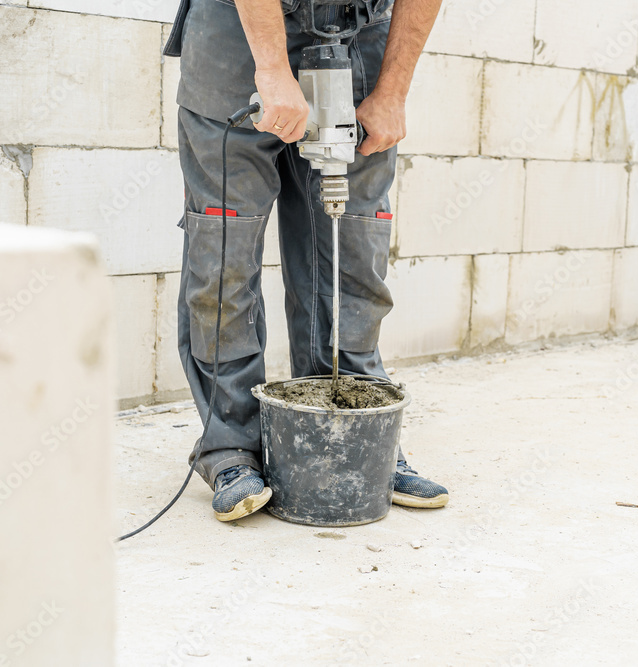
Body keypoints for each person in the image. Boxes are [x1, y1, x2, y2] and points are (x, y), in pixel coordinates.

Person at [164, 0, 449, 521]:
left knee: (354, 250)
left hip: (360, 30)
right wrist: (270, 69)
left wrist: (393, 90)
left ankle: (352, 430)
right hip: (237, 32)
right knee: (223, 251)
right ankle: (231, 446)